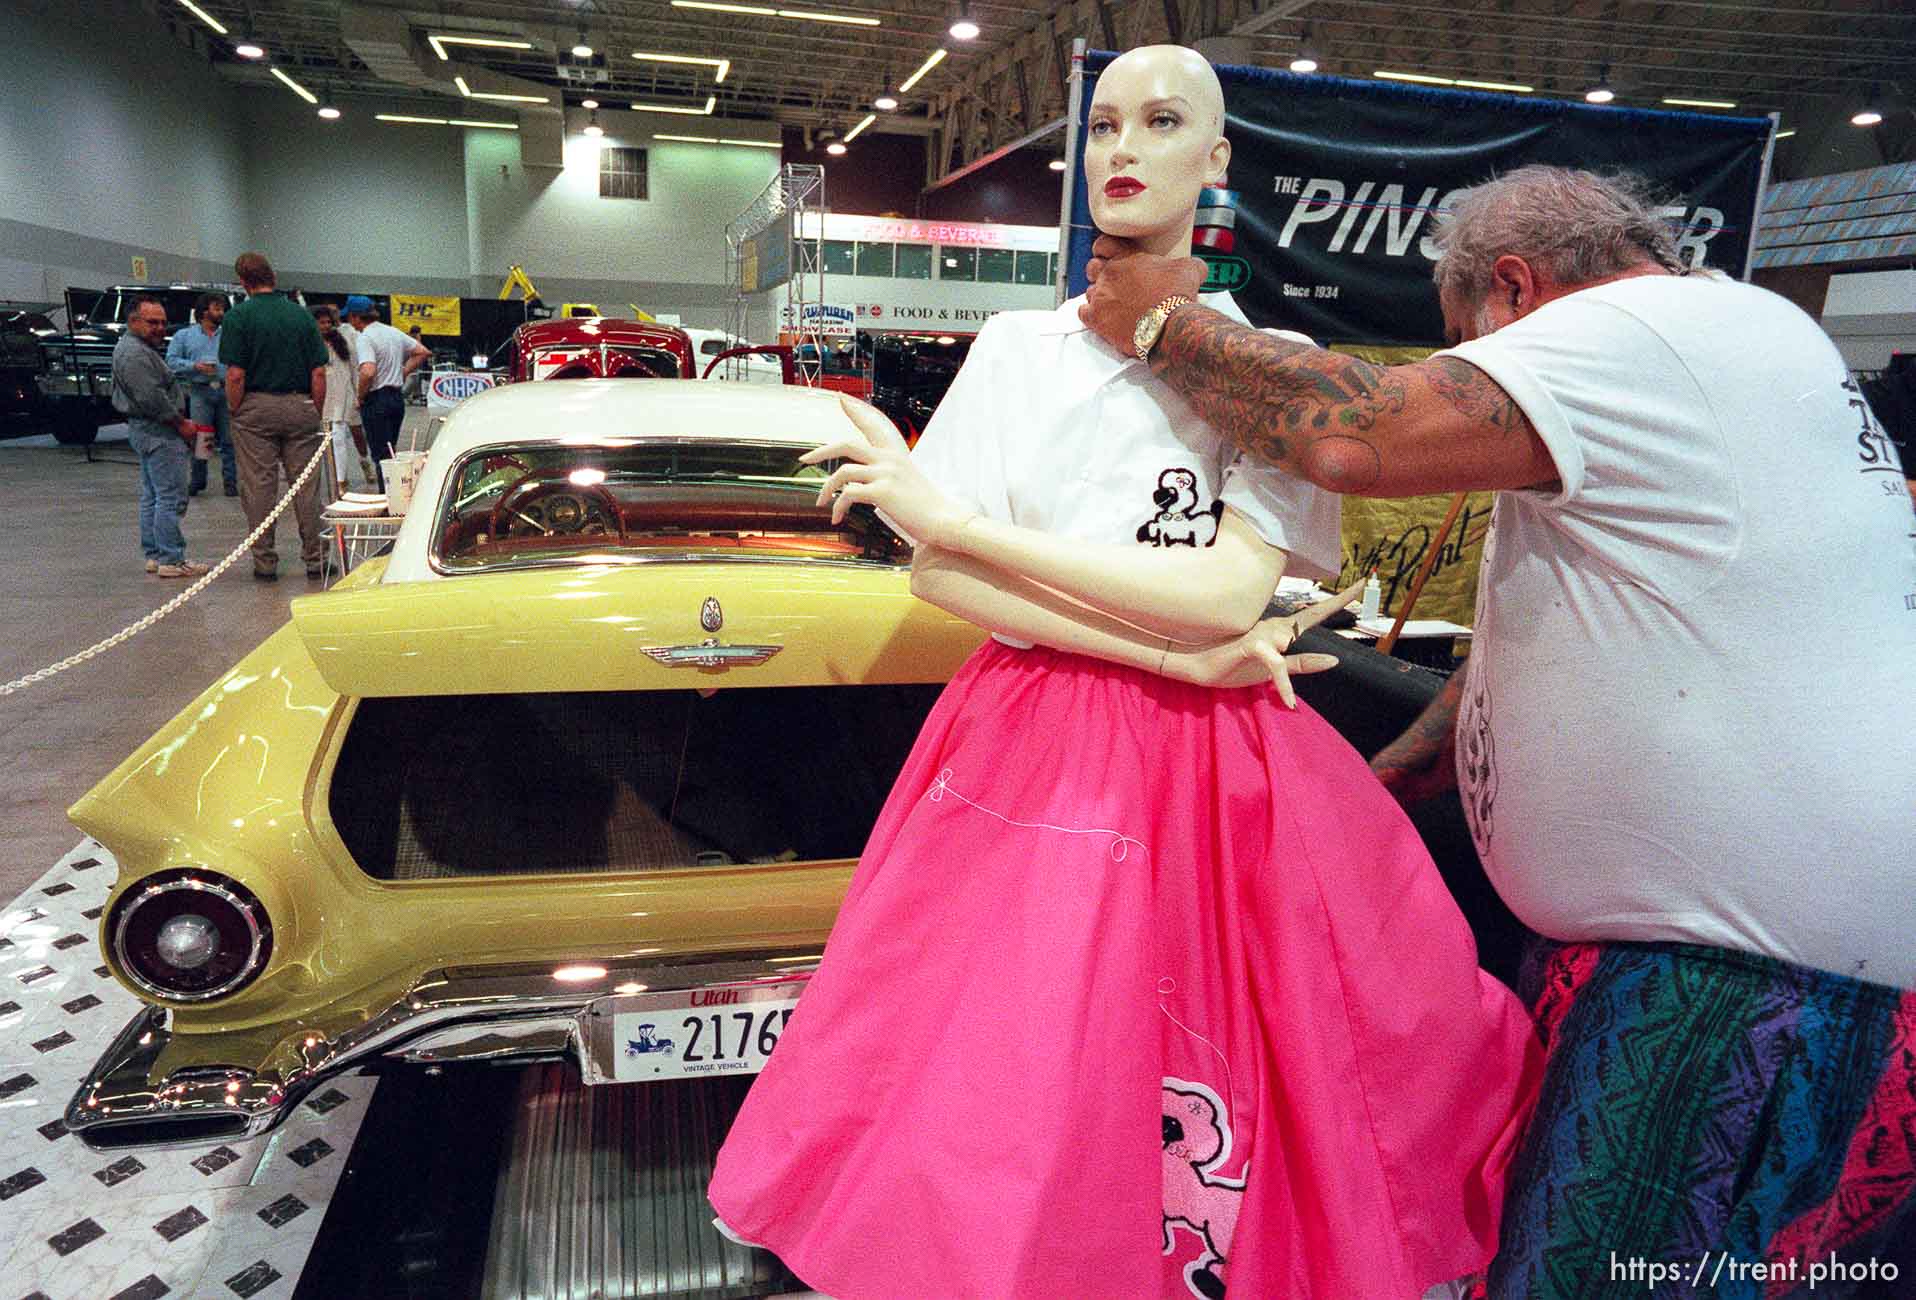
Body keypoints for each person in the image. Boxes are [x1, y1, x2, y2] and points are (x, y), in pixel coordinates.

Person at [709, 46, 1541, 1300]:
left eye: (1161, 123)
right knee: (1019, 1041)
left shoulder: (1265, 369)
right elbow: (944, 586)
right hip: (1029, 734)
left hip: (1215, 767)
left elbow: (1219, 589)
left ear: (1214, 161)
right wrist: (1167, 649)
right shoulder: (1014, 349)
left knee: (1217, 1036)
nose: (1122, 150)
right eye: (1102, 125)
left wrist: (959, 522)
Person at [1078, 164, 1916, 1297]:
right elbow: (1582, 631)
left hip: (1734, 983)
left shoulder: (1641, 329)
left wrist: (1158, 322)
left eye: (1466, 339)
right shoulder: (1724, 343)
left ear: (1513, 289)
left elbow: (1357, 435)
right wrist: (1388, 783)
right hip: (1727, 963)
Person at [112, 296, 207, 578]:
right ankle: (171, 558)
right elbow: (151, 397)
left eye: (163, 322)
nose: (160, 328)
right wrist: (180, 424)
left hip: (148, 429)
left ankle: (155, 554)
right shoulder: (134, 355)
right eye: (152, 322)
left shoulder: (138, 348)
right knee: (171, 496)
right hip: (159, 431)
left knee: (153, 495)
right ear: (133, 321)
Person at [344, 295, 429, 486]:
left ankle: (386, 498)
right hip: (396, 399)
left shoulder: (365, 337)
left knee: (381, 456)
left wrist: (360, 396)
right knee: (391, 452)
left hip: (376, 400)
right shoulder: (393, 332)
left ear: (356, 317)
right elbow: (423, 351)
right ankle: (395, 494)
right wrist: (403, 372)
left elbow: (368, 371)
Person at [164, 291, 237, 497]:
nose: (221, 312)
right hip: (200, 392)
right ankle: (198, 480)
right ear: (204, 312)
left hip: (225, 390)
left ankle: (231, 483)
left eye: (222, 308)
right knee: (201, 438)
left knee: (229, 440)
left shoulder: (230, 335)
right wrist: (194, 366)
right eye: (217, 308)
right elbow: (171, 361)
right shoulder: (184, 336)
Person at [312, 304, 372, 494]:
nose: (327, 325)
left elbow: (355, 368)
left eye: (329, 321)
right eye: (322, 322)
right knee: (332, 438)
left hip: (344, 394)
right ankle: (338, 481)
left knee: (351, 435)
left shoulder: (345, 336)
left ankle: (357, 469)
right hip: (322, 396)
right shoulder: (308, 342)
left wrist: (358, 394)